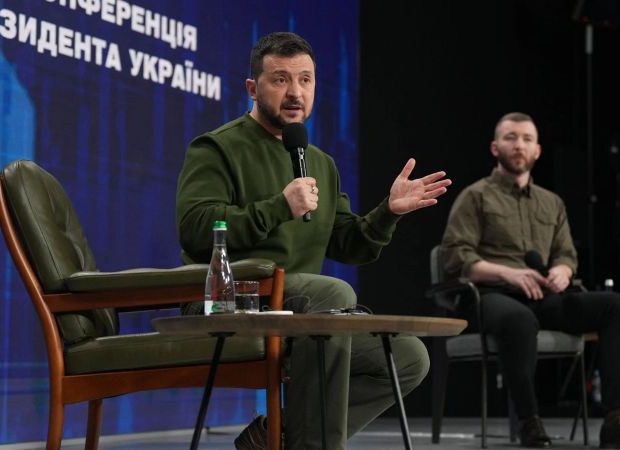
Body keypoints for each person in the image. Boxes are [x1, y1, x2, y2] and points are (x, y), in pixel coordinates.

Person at [176, 32, 452, 450]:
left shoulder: (319, 161)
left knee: (409, 358)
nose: (295, 93)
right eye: (280, 79)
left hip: (299, 310)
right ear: (252, 88)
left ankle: (278, 437)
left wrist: (388, 212)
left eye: (305, 80)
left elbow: (348, 244)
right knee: (333, 293)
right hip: (229, 302)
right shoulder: (217, 148)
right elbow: (195, 229)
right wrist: (277, 208)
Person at [440, 112, 620, 449]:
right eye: (511, 137)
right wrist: (508, 273)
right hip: (490, 295)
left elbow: (566, 253)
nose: (519, 145)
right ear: (495, 147)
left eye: (527, 139)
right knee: (518, 319)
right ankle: (530, 422)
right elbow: (456, 257)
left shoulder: (551, 202)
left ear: (538, 151)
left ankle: (617, 420)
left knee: (615, 306)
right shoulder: (475, 197)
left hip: (543, 295)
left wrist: (563, 270)